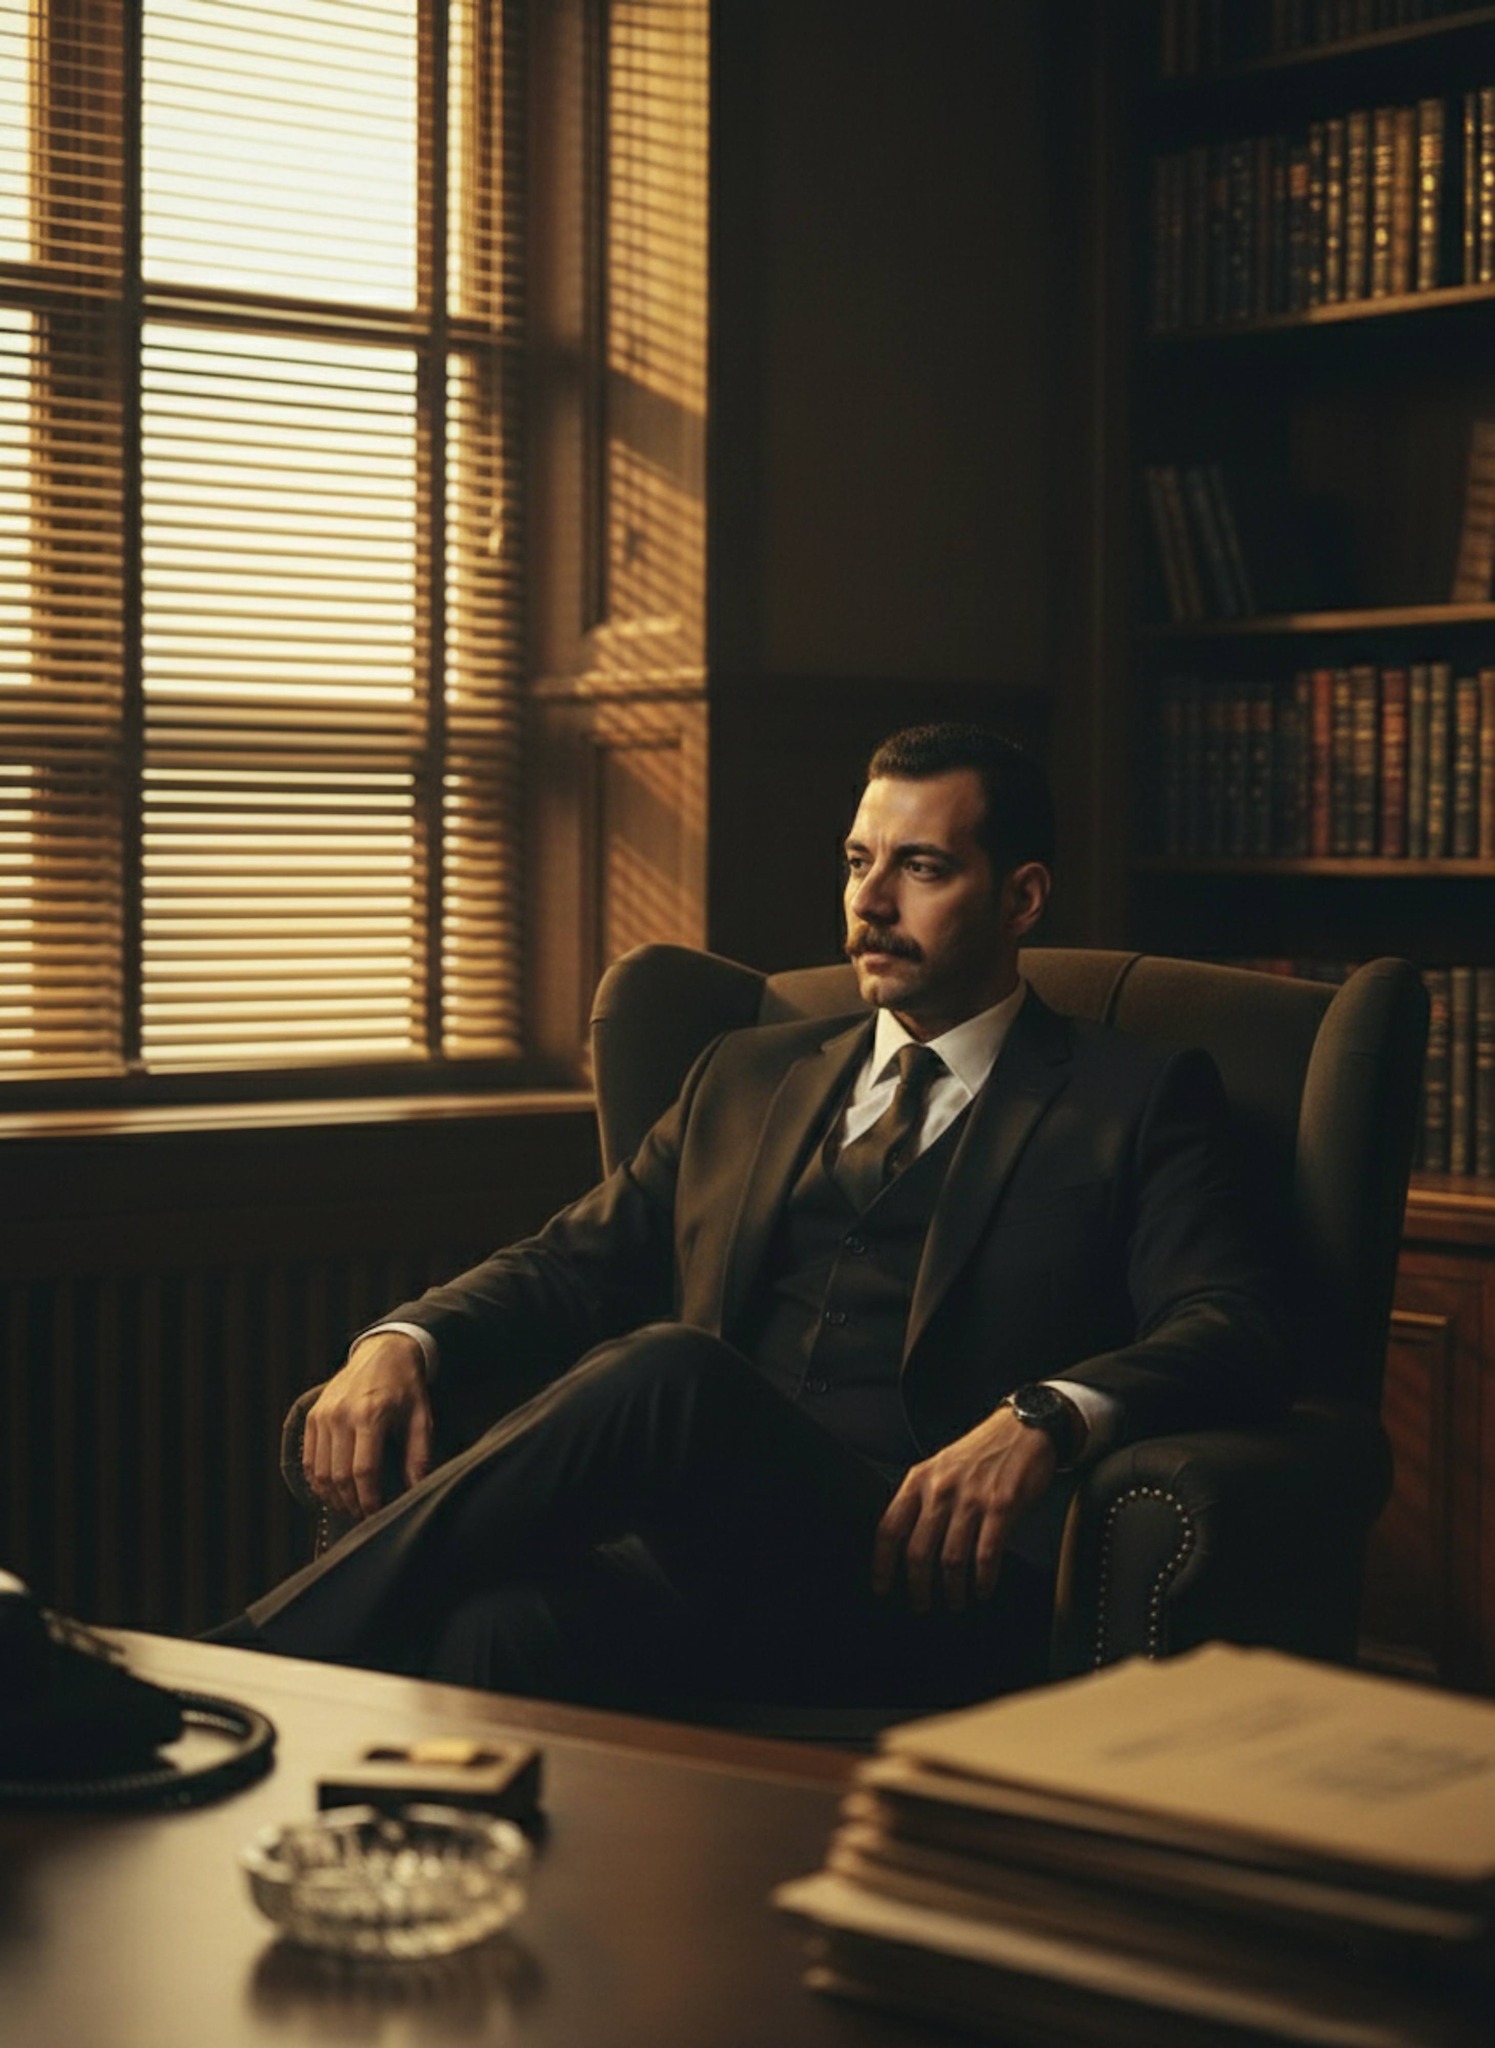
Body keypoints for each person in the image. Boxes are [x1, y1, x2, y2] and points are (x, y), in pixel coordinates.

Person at [213, 724, 1292, 1711]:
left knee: (670, 1372)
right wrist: (404, 1336)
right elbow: (571, 1261)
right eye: (858, 862)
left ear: (1021, 898)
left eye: (921, 867)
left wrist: (1043, 1415)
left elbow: (1230, 1319)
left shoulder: (1131, 1095)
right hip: (698, 1565)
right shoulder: (746, 1073)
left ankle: (234, 1673)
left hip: (923, 1582)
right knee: (490, 1628)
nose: (871, 903)